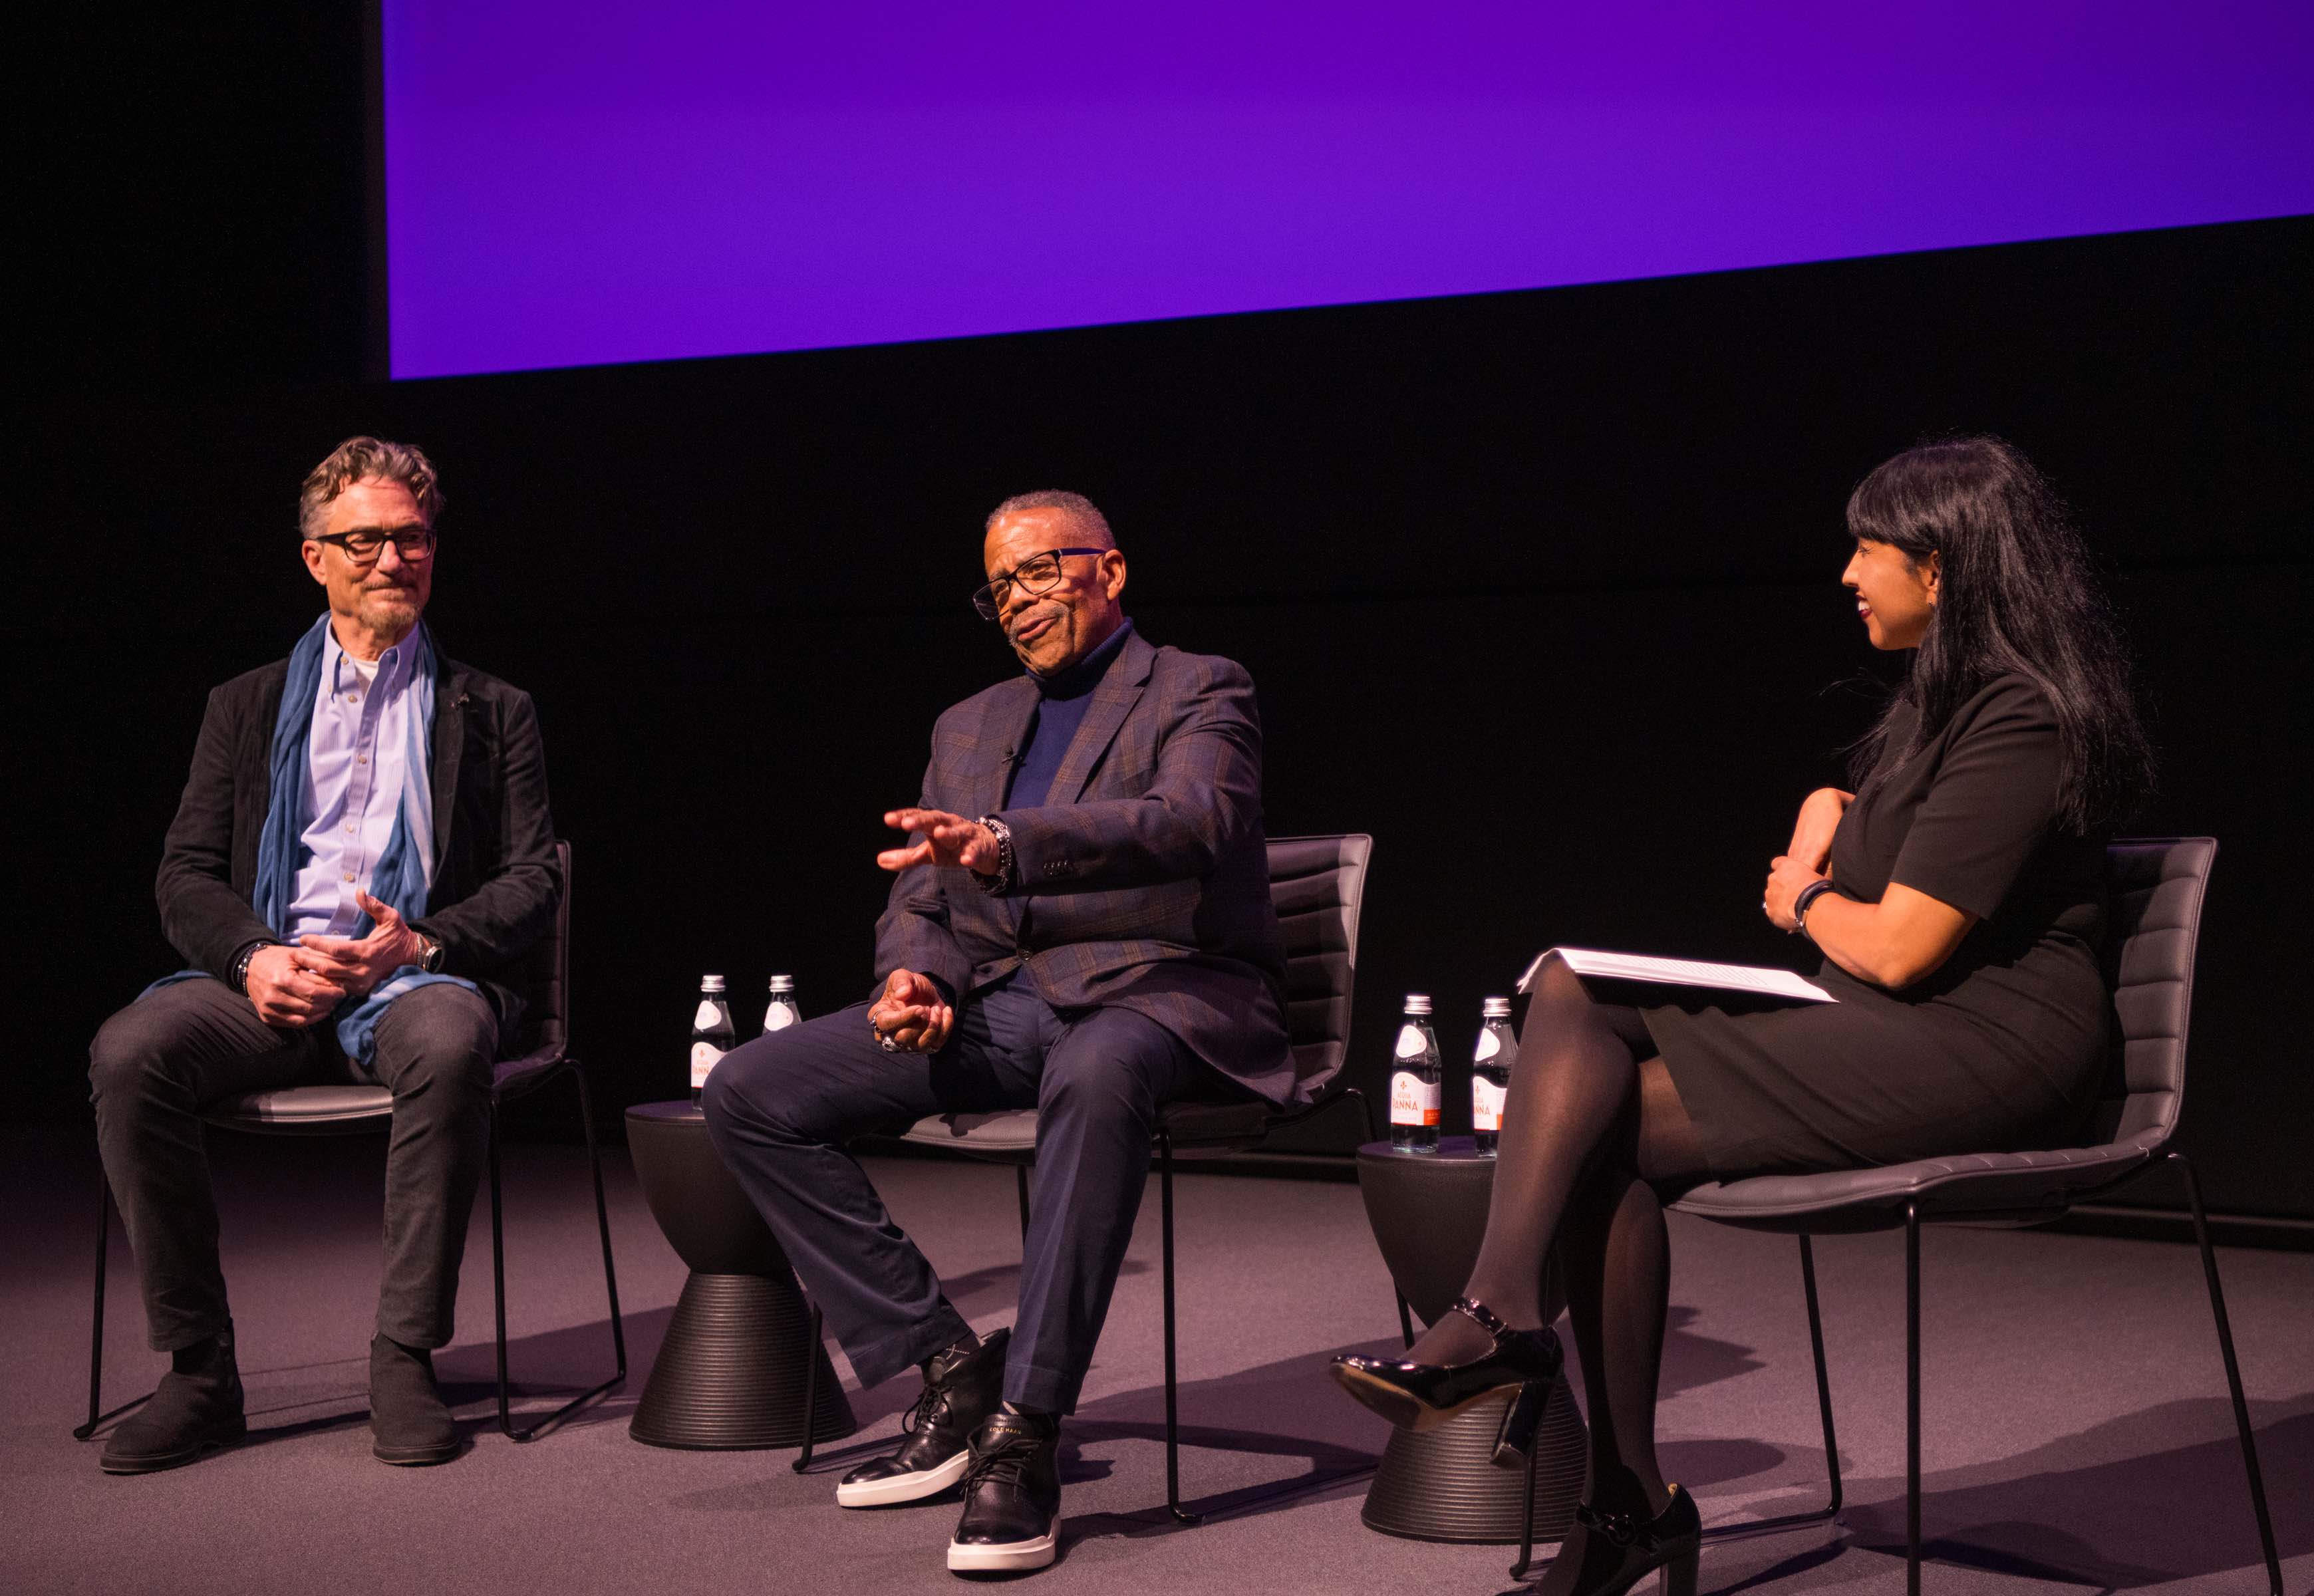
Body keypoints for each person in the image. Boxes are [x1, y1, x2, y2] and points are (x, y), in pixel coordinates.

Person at [1331, 436, 2154, 1596]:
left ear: (1945, 568)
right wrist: (1832, 813)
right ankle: (1548, 1384)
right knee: (1571, 997)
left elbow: (1905, 946)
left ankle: (1584, 1450)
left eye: (1870, 548)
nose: (1848, 574)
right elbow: (1898, 848)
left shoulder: (2022, 713)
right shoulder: (1942, 703)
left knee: (1590, 1126)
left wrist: (1806, 894)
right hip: (1899, 1022)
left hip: (1990, 1046)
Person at [704, 490, 1296, 1576]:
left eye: (1039, 574)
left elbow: (1192, 821)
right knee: (751, 1089)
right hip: (1012, 1004)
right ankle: (946, 1365)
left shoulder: (1200, 687)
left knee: (1099, 1067)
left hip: (1167, 990)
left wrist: (1005, 842)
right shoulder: (967, 724)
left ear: (1109, 572)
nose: (1018, 604)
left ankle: (1026, 1432)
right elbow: (924, 900)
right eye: (1000, 588)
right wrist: (914, 980)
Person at [88, 438, 561, 1474]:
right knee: (131, 1053)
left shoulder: (492, 710)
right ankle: (200, 1374)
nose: (393, 559)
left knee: (450, 1038)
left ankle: (403, 1357)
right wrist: (254, 955)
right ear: (315, 558)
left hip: (408, 982)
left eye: (413, 538)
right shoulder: (246, 704)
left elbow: (534, 879)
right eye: (366, 541)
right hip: (267, 977)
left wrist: (422, 940)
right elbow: (184, 875)